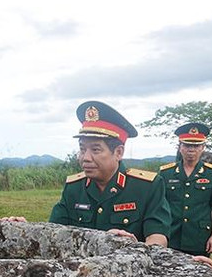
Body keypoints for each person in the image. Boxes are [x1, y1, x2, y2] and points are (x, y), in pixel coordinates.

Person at [47, 101, 171, 245]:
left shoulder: (147, 187)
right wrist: (23, 228)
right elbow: (53, 232)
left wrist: (137, 248)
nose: (85, 158)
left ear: (118, 152)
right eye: (82, 149)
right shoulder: (74, 188)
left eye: (95, 150)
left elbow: (158, 237)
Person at [159, 123, 212, 256]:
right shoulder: (166, 173)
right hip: (171, 235)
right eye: (187, 145)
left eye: (196, 145)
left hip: (199, 237)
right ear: (180, 147)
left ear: (203, 148)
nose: (191, 149)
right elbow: (158, 204)